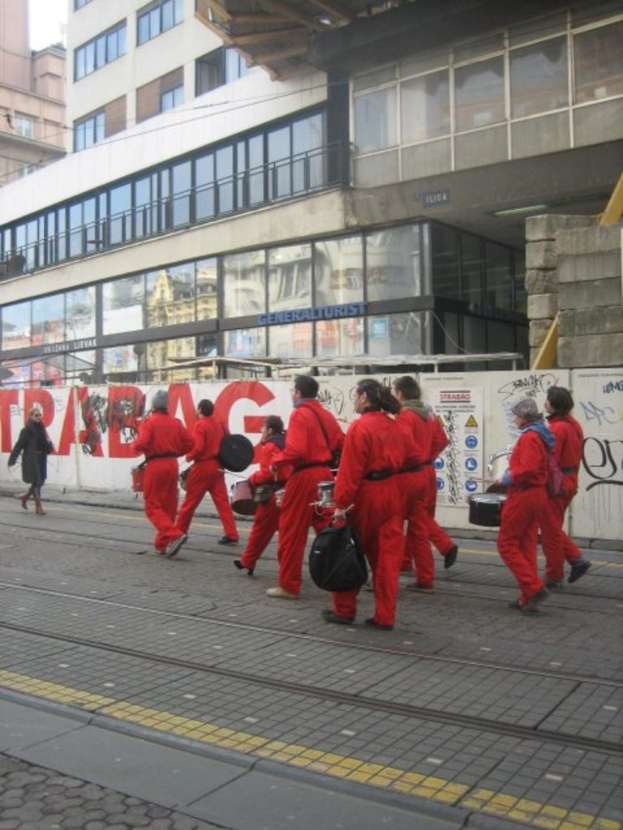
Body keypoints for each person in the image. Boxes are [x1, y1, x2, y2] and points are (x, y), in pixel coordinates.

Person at [323, 379, 408, 630]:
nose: (353, 400)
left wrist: (341, 506)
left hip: (366, 495)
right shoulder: (395, 425)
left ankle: (344, 610)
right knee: (387, 560)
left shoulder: (360, 428)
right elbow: (410, 455)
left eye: (355, 395)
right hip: (391, 491)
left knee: (348, 550)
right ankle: (385, 616)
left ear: (363, 397)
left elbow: (350, 471)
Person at [267, 374, 344, 599]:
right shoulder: (325, 414)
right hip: (325, 476)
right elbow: (341, 442)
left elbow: (296, 450)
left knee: (292, 530)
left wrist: (276, 461)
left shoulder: (299, 414)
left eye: (293, 391)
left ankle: (289, 585)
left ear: (299, 393)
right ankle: (343, 575)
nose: (292, 394)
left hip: (304, 477)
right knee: (327, 527)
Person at [392, 377, 458, 591]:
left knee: (402, 521)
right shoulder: (429, 414)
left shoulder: (404, 416)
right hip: (427, 471)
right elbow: (442, 441)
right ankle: (414, 567)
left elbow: (401, 447)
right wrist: (427, 456)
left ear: (400, 394)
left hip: (408, 473)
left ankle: (403, 565)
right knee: (419, 520)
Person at [495, 397, 552, 613]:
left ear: (523, 417)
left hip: (523, 495)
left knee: (507, 544)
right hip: (537, 494)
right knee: (526, 545)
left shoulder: (529, 437)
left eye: (516, 416)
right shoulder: (541, 434)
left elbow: (527, 469)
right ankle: (527, 597)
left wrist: (506, 478)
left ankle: (533, 588)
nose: (514, 419)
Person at [132, 390, 193, 558]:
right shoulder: (176, 422)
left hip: (155, 465)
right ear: (166, 406)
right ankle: (161, 545)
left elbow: (141, 443)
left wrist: (134, 446)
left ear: (153, 405)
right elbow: (190, 443)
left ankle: (175, 535)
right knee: (168, 506)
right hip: (172, 464)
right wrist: (177, 452)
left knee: (152, 506)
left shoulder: (149, 423)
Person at [543, 386, 591, 587]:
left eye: (547, 400)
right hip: (569, 481)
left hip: (557, 484)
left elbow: (550, 460)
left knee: (550, 531)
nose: (545, 403)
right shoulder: (573, 425)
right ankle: (576, 560)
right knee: (553, 527)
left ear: (554, 404)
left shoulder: (557, 429)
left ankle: (555, 575)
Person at [175, 399, 239, 546]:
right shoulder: (218, 424)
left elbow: (199, 447)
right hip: (217, 466)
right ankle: (232, 533)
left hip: (202, 467)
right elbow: (228, 440)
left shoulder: (200, 425)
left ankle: (179, 532)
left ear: (200, 410)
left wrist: (189, 456)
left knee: (190, 502)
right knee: (222, 502)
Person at [234, 415, 291, 576]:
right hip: (289, 491)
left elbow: (268, 474)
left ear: (270, 430)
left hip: (274, 494)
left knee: (260, 529)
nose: (261, 430)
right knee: (287, 534)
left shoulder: (270, 446)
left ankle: (248, 561)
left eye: (263, 428)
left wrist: (252, 479)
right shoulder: (287, 442)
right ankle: (287, 568)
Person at [8, 405, 54, 515]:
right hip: (32, 459)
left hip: (42, 457)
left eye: (40, 415)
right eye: (36, 415)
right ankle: (38, 506)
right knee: (37, 482)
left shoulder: (41, 427)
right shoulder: (26, 430)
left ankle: (25, 497)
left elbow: (45, 441)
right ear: (31, 416)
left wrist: (49, 448)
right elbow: (19, 445)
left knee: (42, 480)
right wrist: (12, 459)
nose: (38, 417)